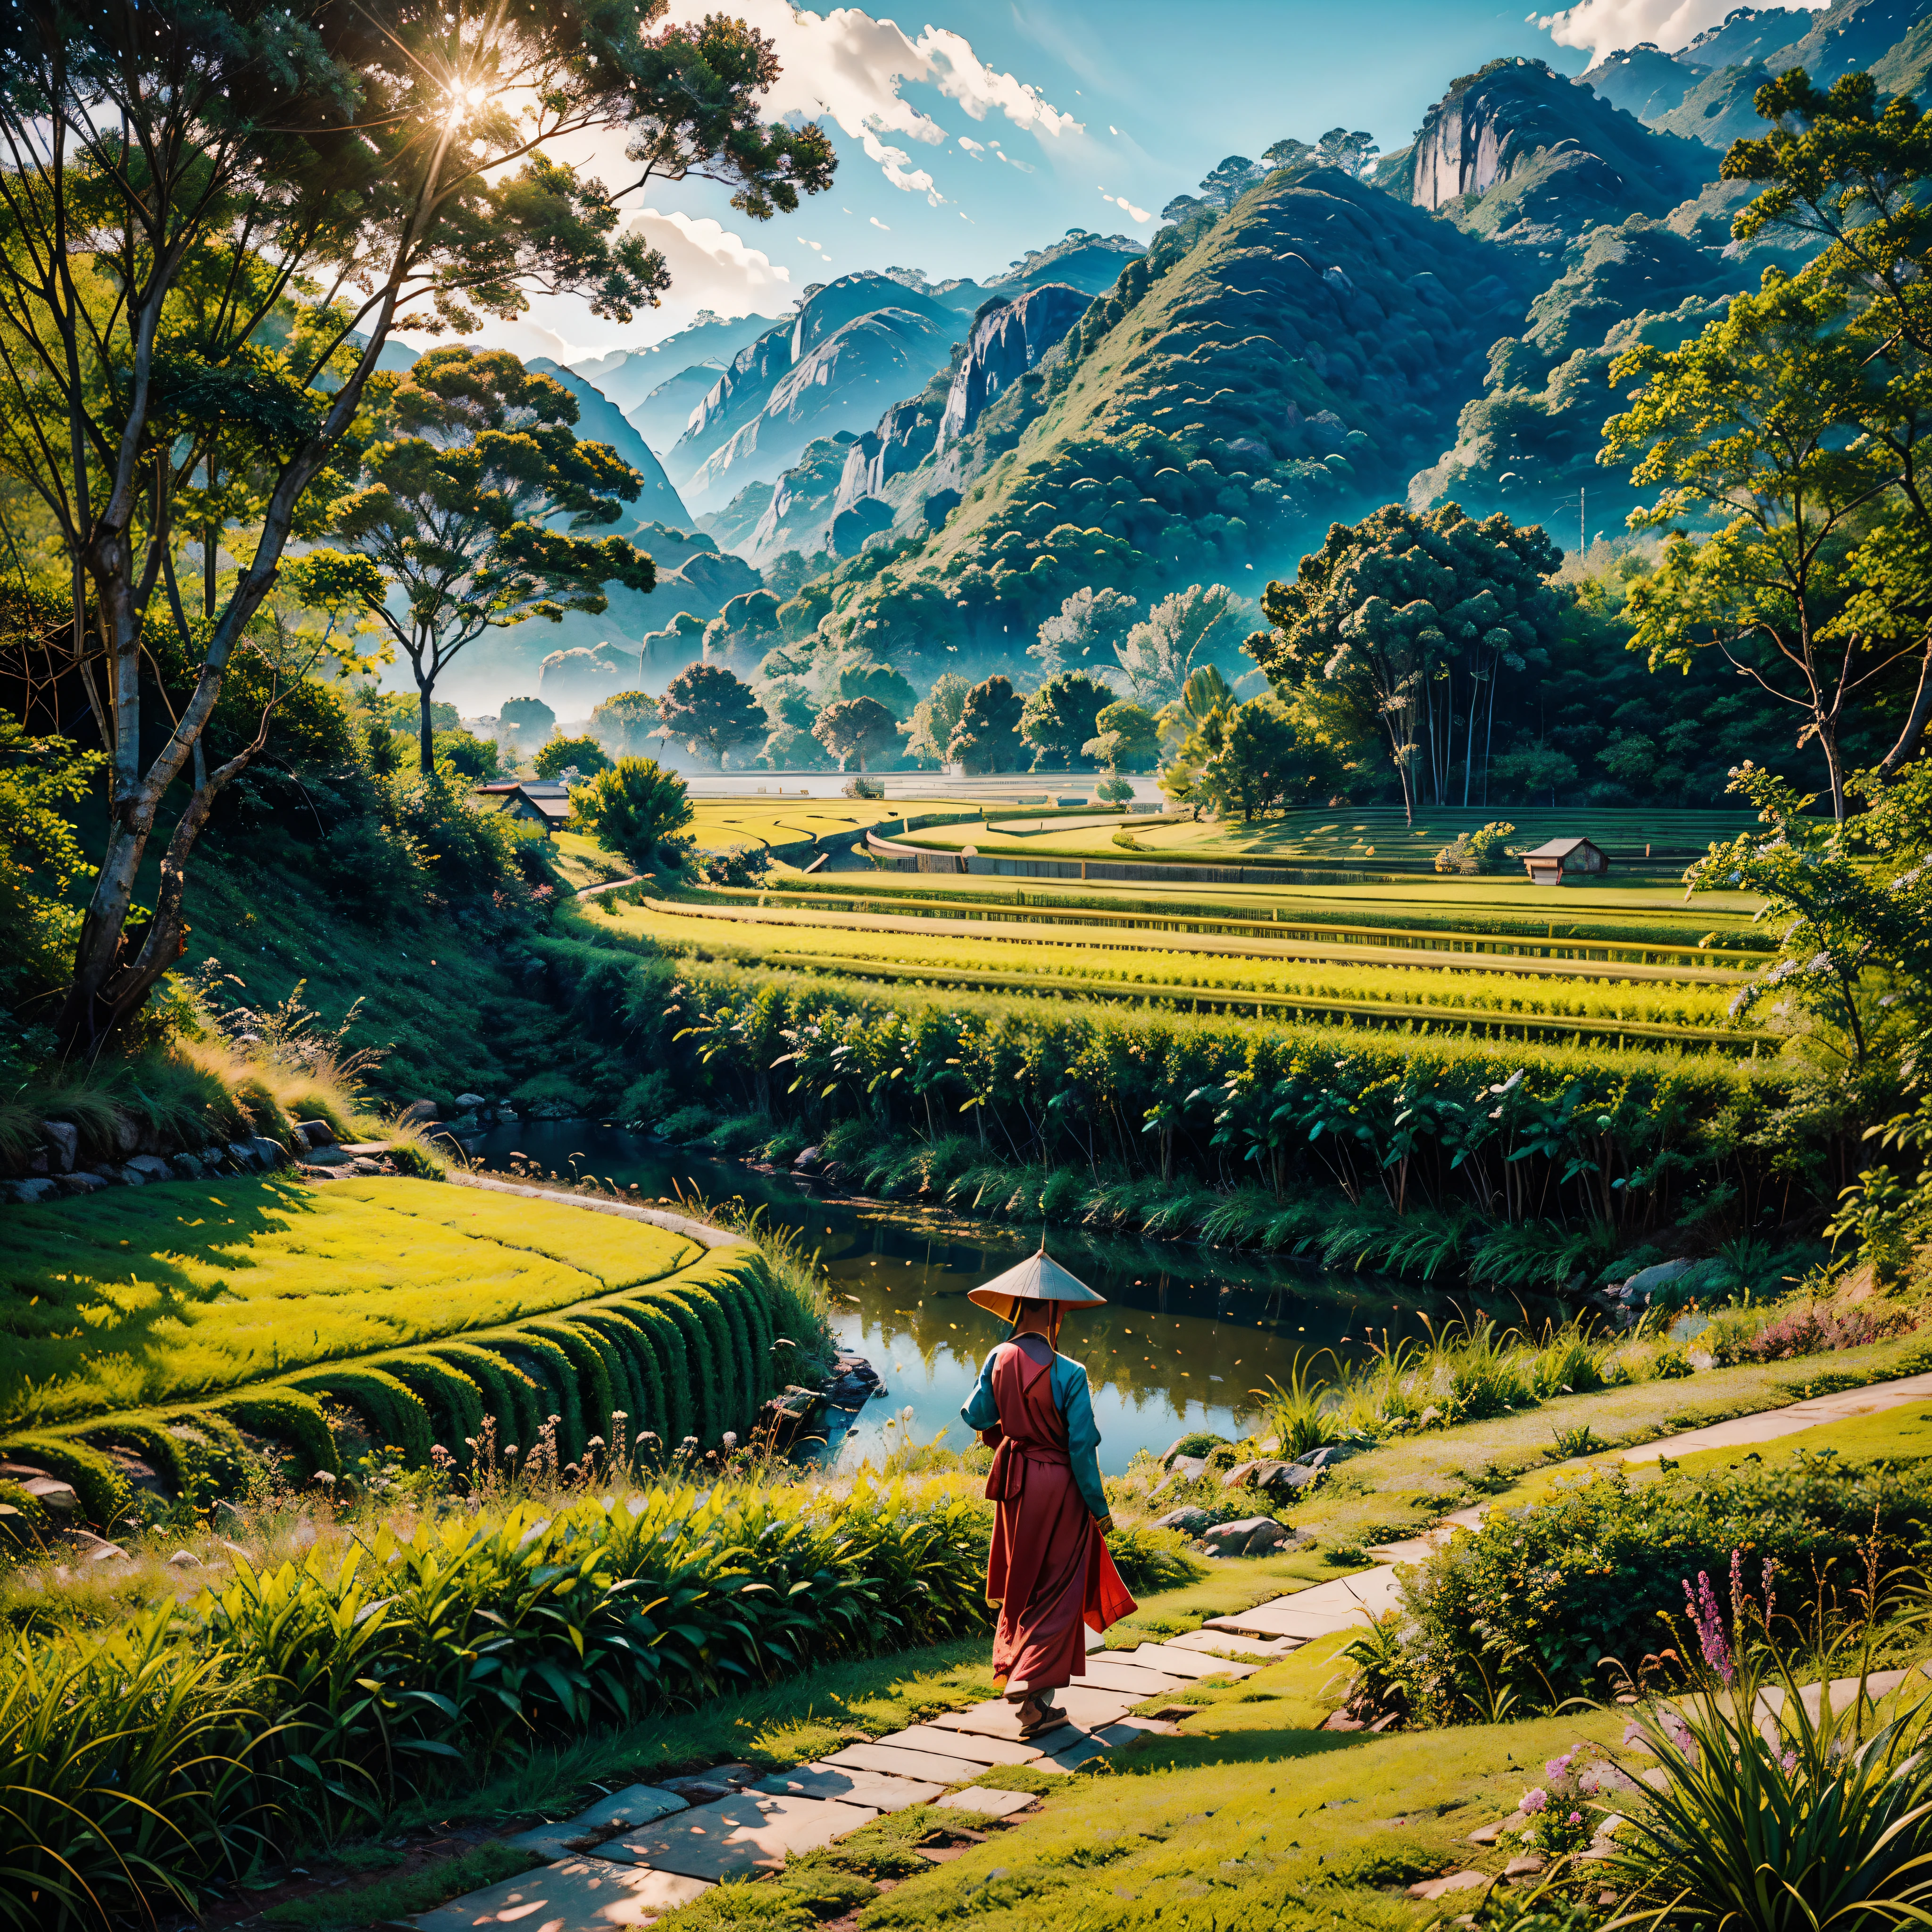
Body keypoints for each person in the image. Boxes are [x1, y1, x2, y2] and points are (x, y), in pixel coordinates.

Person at [960, 1248, 1135, 1738]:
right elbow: (1081, 1448)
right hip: (1058, 1488)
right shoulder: (1071, 1372)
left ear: (1016, 1308)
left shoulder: (997, 1356)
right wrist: (1099, 1510)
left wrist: (1009, 1424)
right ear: (1057, 1313)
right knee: (1059, 1587)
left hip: (1015, 1485)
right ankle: (1028, 1677)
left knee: (1025, 1582)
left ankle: (1035, 1709)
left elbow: (974, 1416)